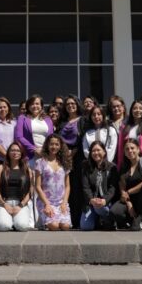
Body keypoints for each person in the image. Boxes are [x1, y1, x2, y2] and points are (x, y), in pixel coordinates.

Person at [111, 138, 142, 231]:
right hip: (131, 200)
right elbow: (122, 185)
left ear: (138, 149)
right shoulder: (124, 166)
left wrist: (128, 192)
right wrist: (128, 203)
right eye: (127, 149)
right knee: (115, 211)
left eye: (132, 148)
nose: (130, 151)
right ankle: (134, 220)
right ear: (124, 153)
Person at [0, 141, 35, 232]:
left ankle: (14, 221)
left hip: (21, 204)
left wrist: (21, 205)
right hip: (3, 203)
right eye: (12, 150)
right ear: (8, 152)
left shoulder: (27, 170)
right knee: (4, 226)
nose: (15, 153)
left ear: (21, 153)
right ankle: (7, 221)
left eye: (18, 150)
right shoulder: (0, 168)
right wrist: (4, 204)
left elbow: (31, 190)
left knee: (22, 226)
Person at [33, 133, 72, 230]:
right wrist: (47, 204)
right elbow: (37, 186)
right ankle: (44, 221)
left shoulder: (64, 162)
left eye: (57, 144)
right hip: (46, 202)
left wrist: (64, 202)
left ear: (60, 146)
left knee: (65, 226)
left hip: (61, 202)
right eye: (51, 144)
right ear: (47, 145)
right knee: (54, 226)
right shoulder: (40, 162)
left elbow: (67, 186)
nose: (54, 147)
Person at [79, 140, 118, 231]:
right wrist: (91, 199)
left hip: (106, 203)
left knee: (100, 208)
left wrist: (104, 200)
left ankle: (108, 219)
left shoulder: (112, 167)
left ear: (104, 152)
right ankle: (97, 220)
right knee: (85, 227)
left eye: (98, 150)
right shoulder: (86, 167)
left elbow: (112, 188)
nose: (96, 153)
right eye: (93, 151)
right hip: (91, 203)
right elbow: (86, 187)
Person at [59, 95, 85, 228]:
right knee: (66, 188)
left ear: (77, 105)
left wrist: (73, 152)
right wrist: (65, 152)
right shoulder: (62, 122)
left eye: (73, 103)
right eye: (68, 104)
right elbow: (58, 139)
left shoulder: (83, 120)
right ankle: (67, 218)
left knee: (77, 188)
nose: (70, 106)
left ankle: (78, 219)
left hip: (78, 158)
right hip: (63, 158)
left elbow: (84, 139)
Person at [116, 100, 142, 167]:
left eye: (140, 108)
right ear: (131, 111)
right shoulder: (125, 126)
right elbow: (121, 147)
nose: (138, 110)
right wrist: (120, 164)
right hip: (128, 161)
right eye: (135, 108)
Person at [14, 95, 54, 163]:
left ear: (41, 106)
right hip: (30, 156)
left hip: (46, 155)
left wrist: (44, 150)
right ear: (28, 106)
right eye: (32, 104)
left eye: (37, 104)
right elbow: (19, 137)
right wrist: (34, 149)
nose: (35, 106)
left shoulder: (48, 119)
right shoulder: (22, 118)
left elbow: (51, 137)